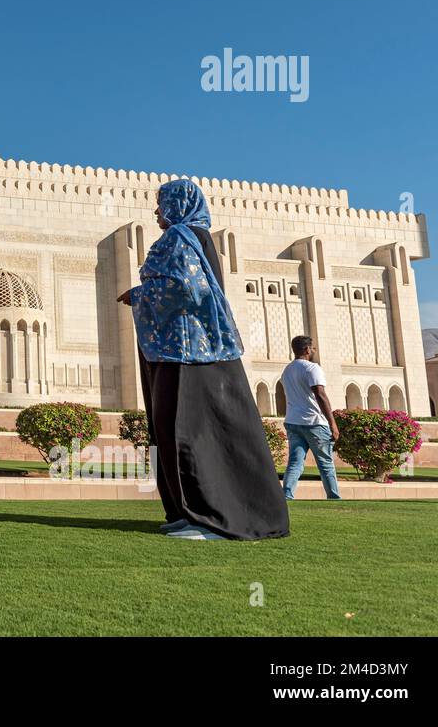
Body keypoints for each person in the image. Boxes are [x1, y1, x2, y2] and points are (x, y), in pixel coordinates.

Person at [118, 179, 289, 541]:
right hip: (201, 350)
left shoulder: (180, 236)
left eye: (161, 204)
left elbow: (188, 289)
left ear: (177, 205)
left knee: (186, 431)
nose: (157, 212)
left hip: (186, 353)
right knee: (190, 430)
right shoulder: (200, 237)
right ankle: (189, 512)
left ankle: (209, 518)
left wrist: (140, 293)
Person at [280, 335, 342, 500]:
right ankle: (334, 497)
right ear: (307, 349)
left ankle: (286, 495)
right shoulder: (312, 368)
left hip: (293, 421)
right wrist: (333, 424)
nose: (313, 350)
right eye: (312, 348)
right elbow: (320, 395)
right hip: (314, 422)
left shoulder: (287, 370)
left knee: (295, 462)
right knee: (325, 463)